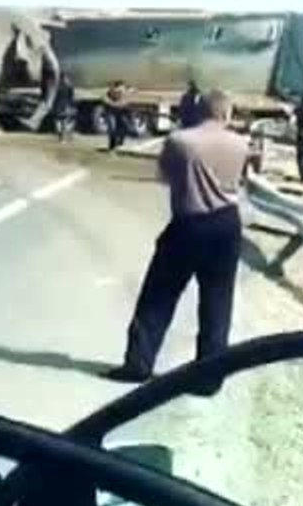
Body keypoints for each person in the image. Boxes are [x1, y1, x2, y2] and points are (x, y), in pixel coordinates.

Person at [101, 89, 250, 385]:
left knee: (159, 295)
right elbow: (238, 181)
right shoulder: (240, 144)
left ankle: (139, 364)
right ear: (226, 113)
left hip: (188, 224)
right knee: (217, 301)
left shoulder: (179, 141)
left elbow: (165, 178)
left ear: (200, 111)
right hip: (226, 225)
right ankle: (209, 377)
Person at [103, 80, 130, 152]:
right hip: (111, 112)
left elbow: (124, 103)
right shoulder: (109, 92)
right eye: (117, 91)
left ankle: (120, 140)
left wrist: (113, 103)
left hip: (121, 112)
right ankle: (112, 144)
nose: (119, 93)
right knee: (112, 127)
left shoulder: (125, 93)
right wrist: (113, 103)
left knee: (124, 126)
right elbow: (106, 100)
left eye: (121, 91)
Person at [52, 74, 77, 142]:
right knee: (64, 122)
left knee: (57, 121)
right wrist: (72, 106)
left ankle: (61, 136)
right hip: (65, 106)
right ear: (65, 78)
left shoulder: (56, 86)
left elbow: (53, 97)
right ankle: (63, 137)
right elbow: (71, 97)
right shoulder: (69, 86)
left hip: (57, 106)